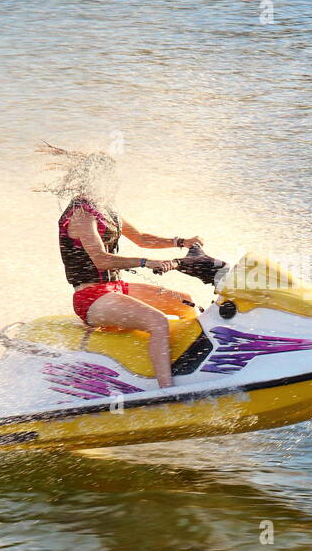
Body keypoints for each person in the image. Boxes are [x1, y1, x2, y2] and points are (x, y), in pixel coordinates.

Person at [46, 149, 202, 388]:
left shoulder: (106, 210)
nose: (115, 183)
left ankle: (196, 366)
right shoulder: (81, 215)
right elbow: (101, 260)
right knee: (158, 322)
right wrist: (145, 262)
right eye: (109, 178)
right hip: (91, 298)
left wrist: (180, 242)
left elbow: (141, 238)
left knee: (184, 302)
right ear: (93, 179)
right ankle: (166, 390)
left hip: (115, 288)